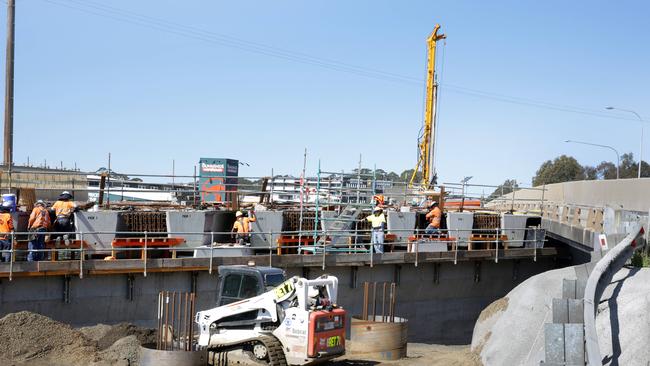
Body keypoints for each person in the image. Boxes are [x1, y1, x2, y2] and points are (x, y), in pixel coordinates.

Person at [51, 191, 76, 259]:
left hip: (58, 219)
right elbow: (76, 206)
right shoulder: (69, 202)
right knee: (67, 229)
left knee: (58, 230)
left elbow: (52, 209)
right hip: (66, 219)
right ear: (68, 197)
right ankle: (66, 236)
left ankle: (58, 237)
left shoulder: (57, 202)